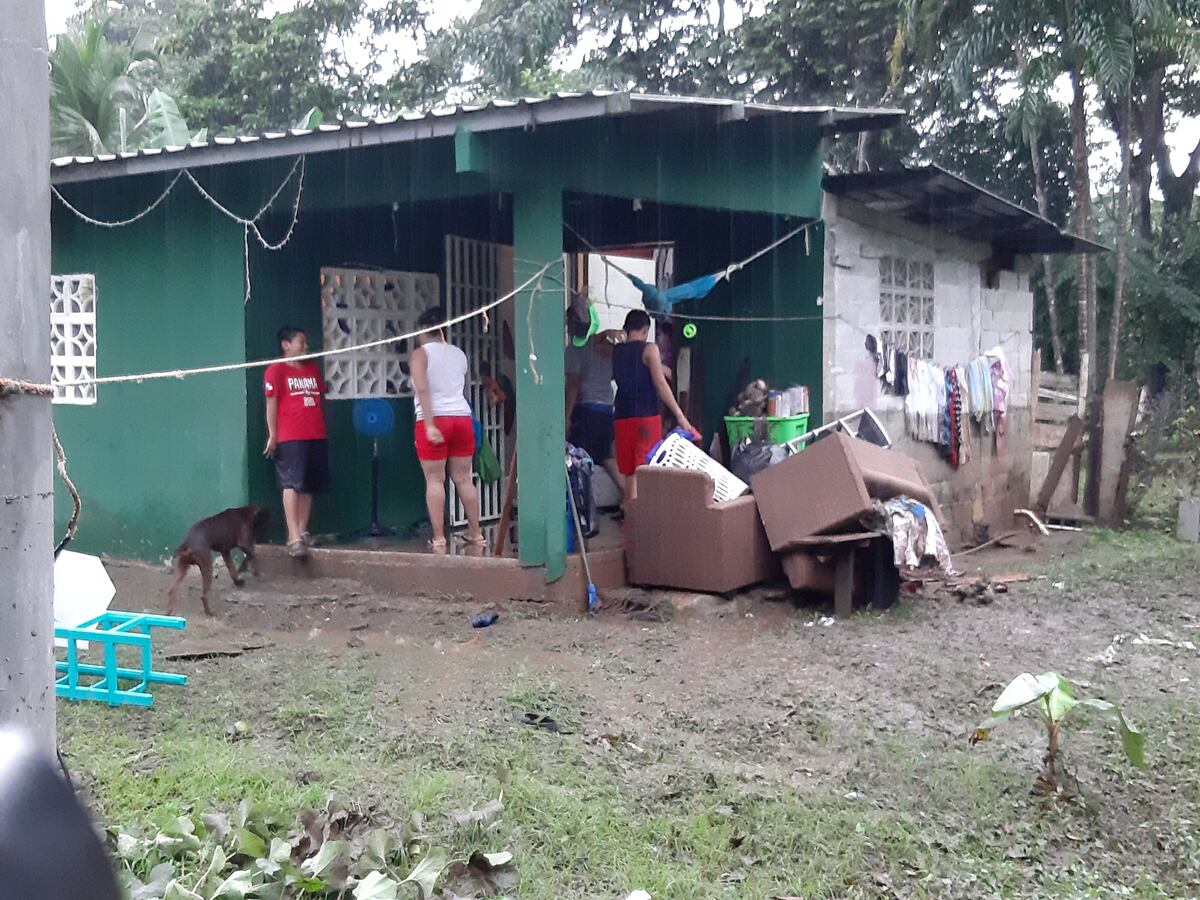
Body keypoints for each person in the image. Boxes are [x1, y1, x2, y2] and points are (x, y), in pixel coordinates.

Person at [411, 306, 484, 549]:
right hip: (462, 418)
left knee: (434, 480)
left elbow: (423, 390)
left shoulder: (420, 355)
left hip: (434, 418)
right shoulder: (459, 354)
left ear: (424, 330)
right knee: (464, 479)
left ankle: (439, 538)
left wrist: (430, 424)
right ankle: (476, 533)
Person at [613, 309, 697, 499]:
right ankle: (640, 521)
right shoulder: (649, 349)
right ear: (645, 330)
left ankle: (631, 518)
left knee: (629, 472)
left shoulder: (616, 351)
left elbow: (597, 342)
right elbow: (660, 385)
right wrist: (681, 417)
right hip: (646, 416)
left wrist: (609, 334)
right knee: (644, 469)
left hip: (622, 417)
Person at [263, 326, 329, 558]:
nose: (305, 346)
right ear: (286, 345)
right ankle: (292, 536)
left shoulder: (311, 368)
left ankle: (302, 532)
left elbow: (318, 398)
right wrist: (273, 434)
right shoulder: (276, 370)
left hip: (315, 434)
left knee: (308, 486)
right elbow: (271, 404)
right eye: (301, 342)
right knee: (291, 483)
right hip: (291, 436)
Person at [566, 329, 625, 504]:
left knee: (577, 457)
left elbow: (573, 385)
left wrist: (567, 417)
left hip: (587, 410)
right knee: (605, 456)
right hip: (606, 409)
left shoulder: (575, 351)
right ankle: (629, 495)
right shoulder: (607, 349)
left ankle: (581, 504)